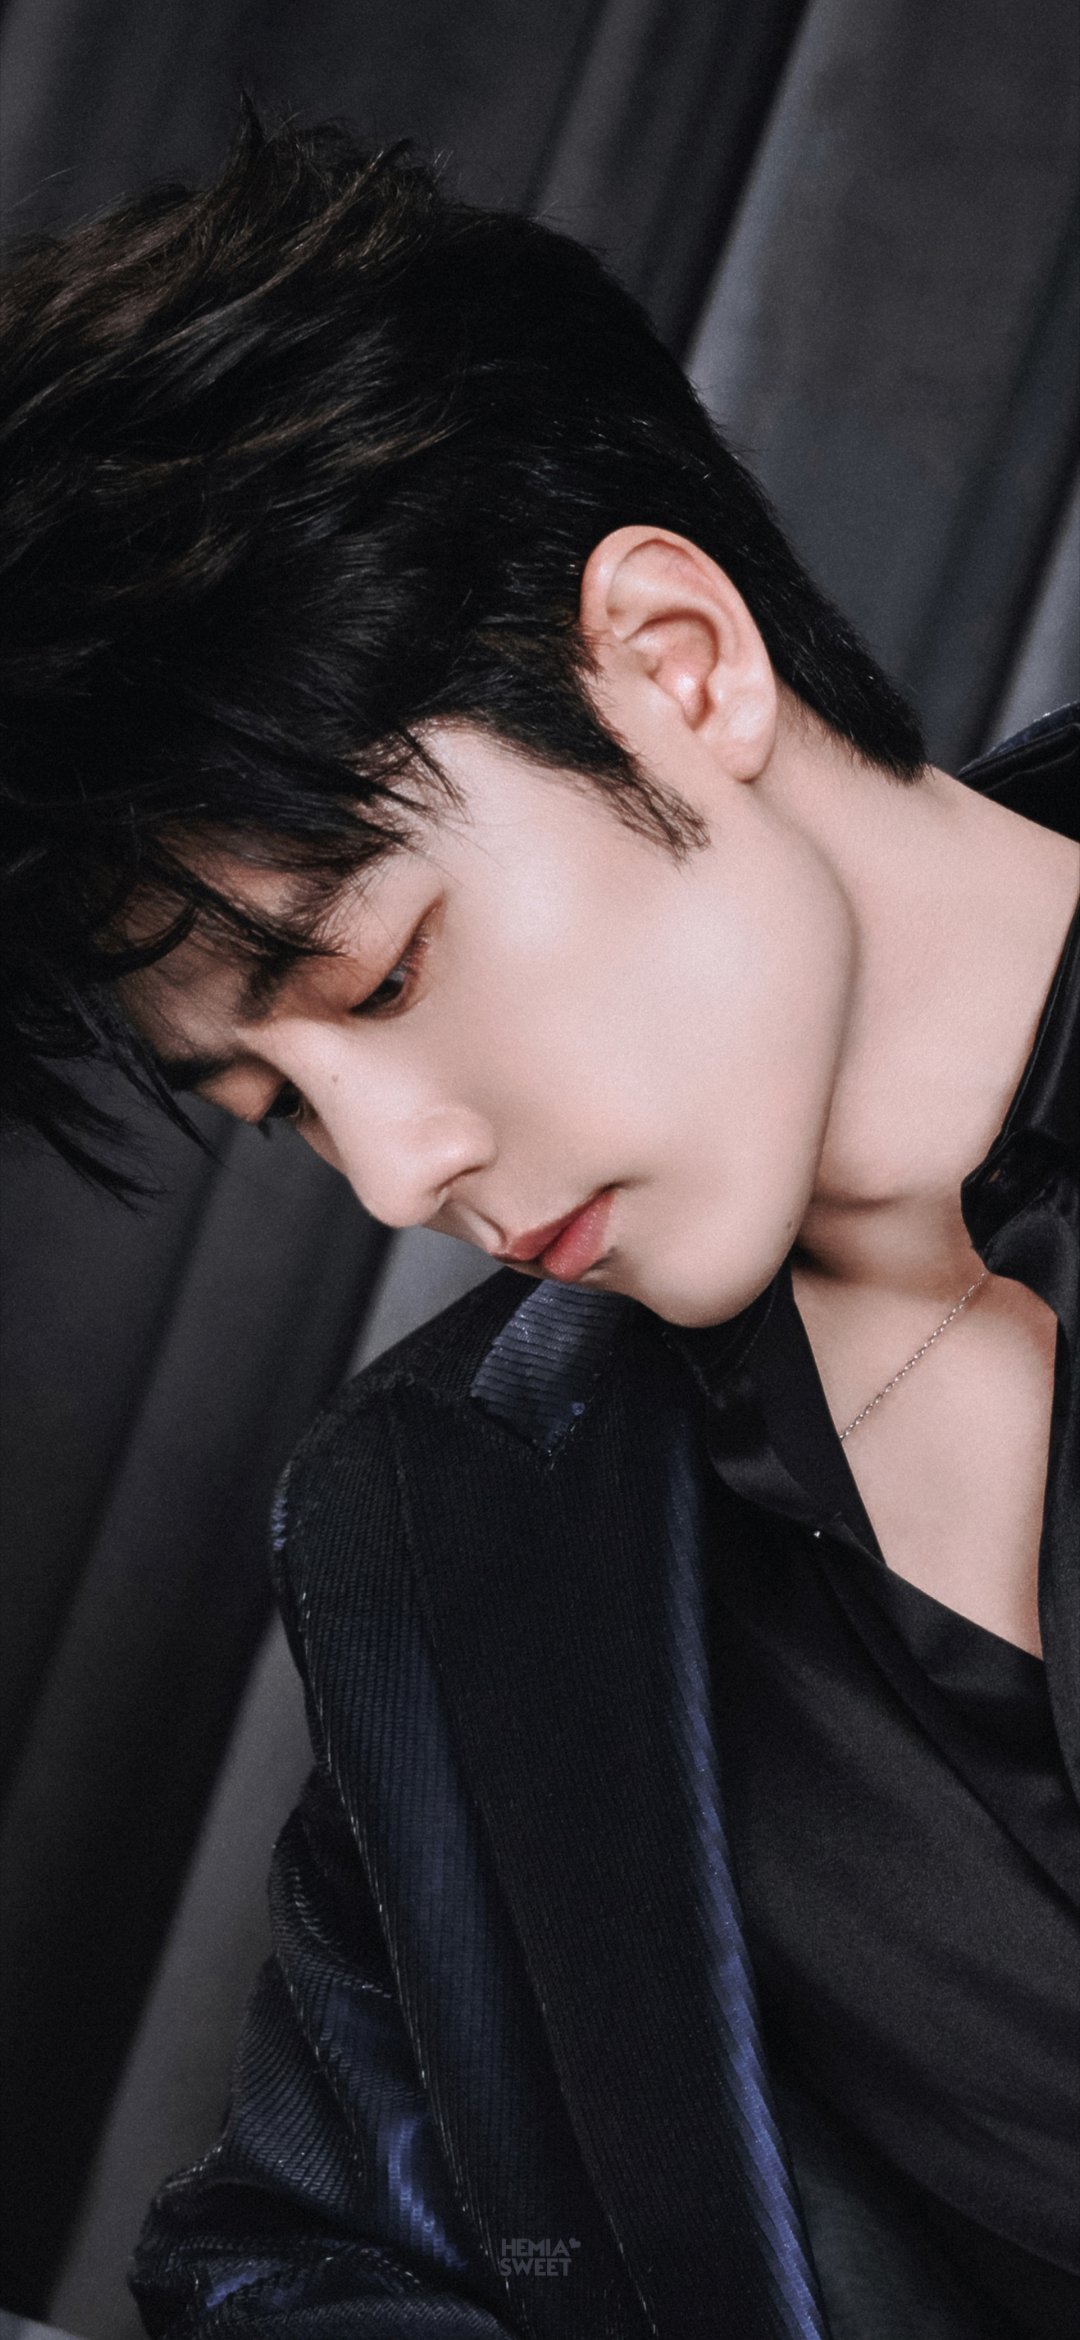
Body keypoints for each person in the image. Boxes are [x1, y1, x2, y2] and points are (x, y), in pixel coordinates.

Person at [2, 111, 1077, 2340]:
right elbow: (296, 2263)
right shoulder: (454, 1530)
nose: (397, 1175)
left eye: (385, 975)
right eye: (269, 1108)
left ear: (679, 661)